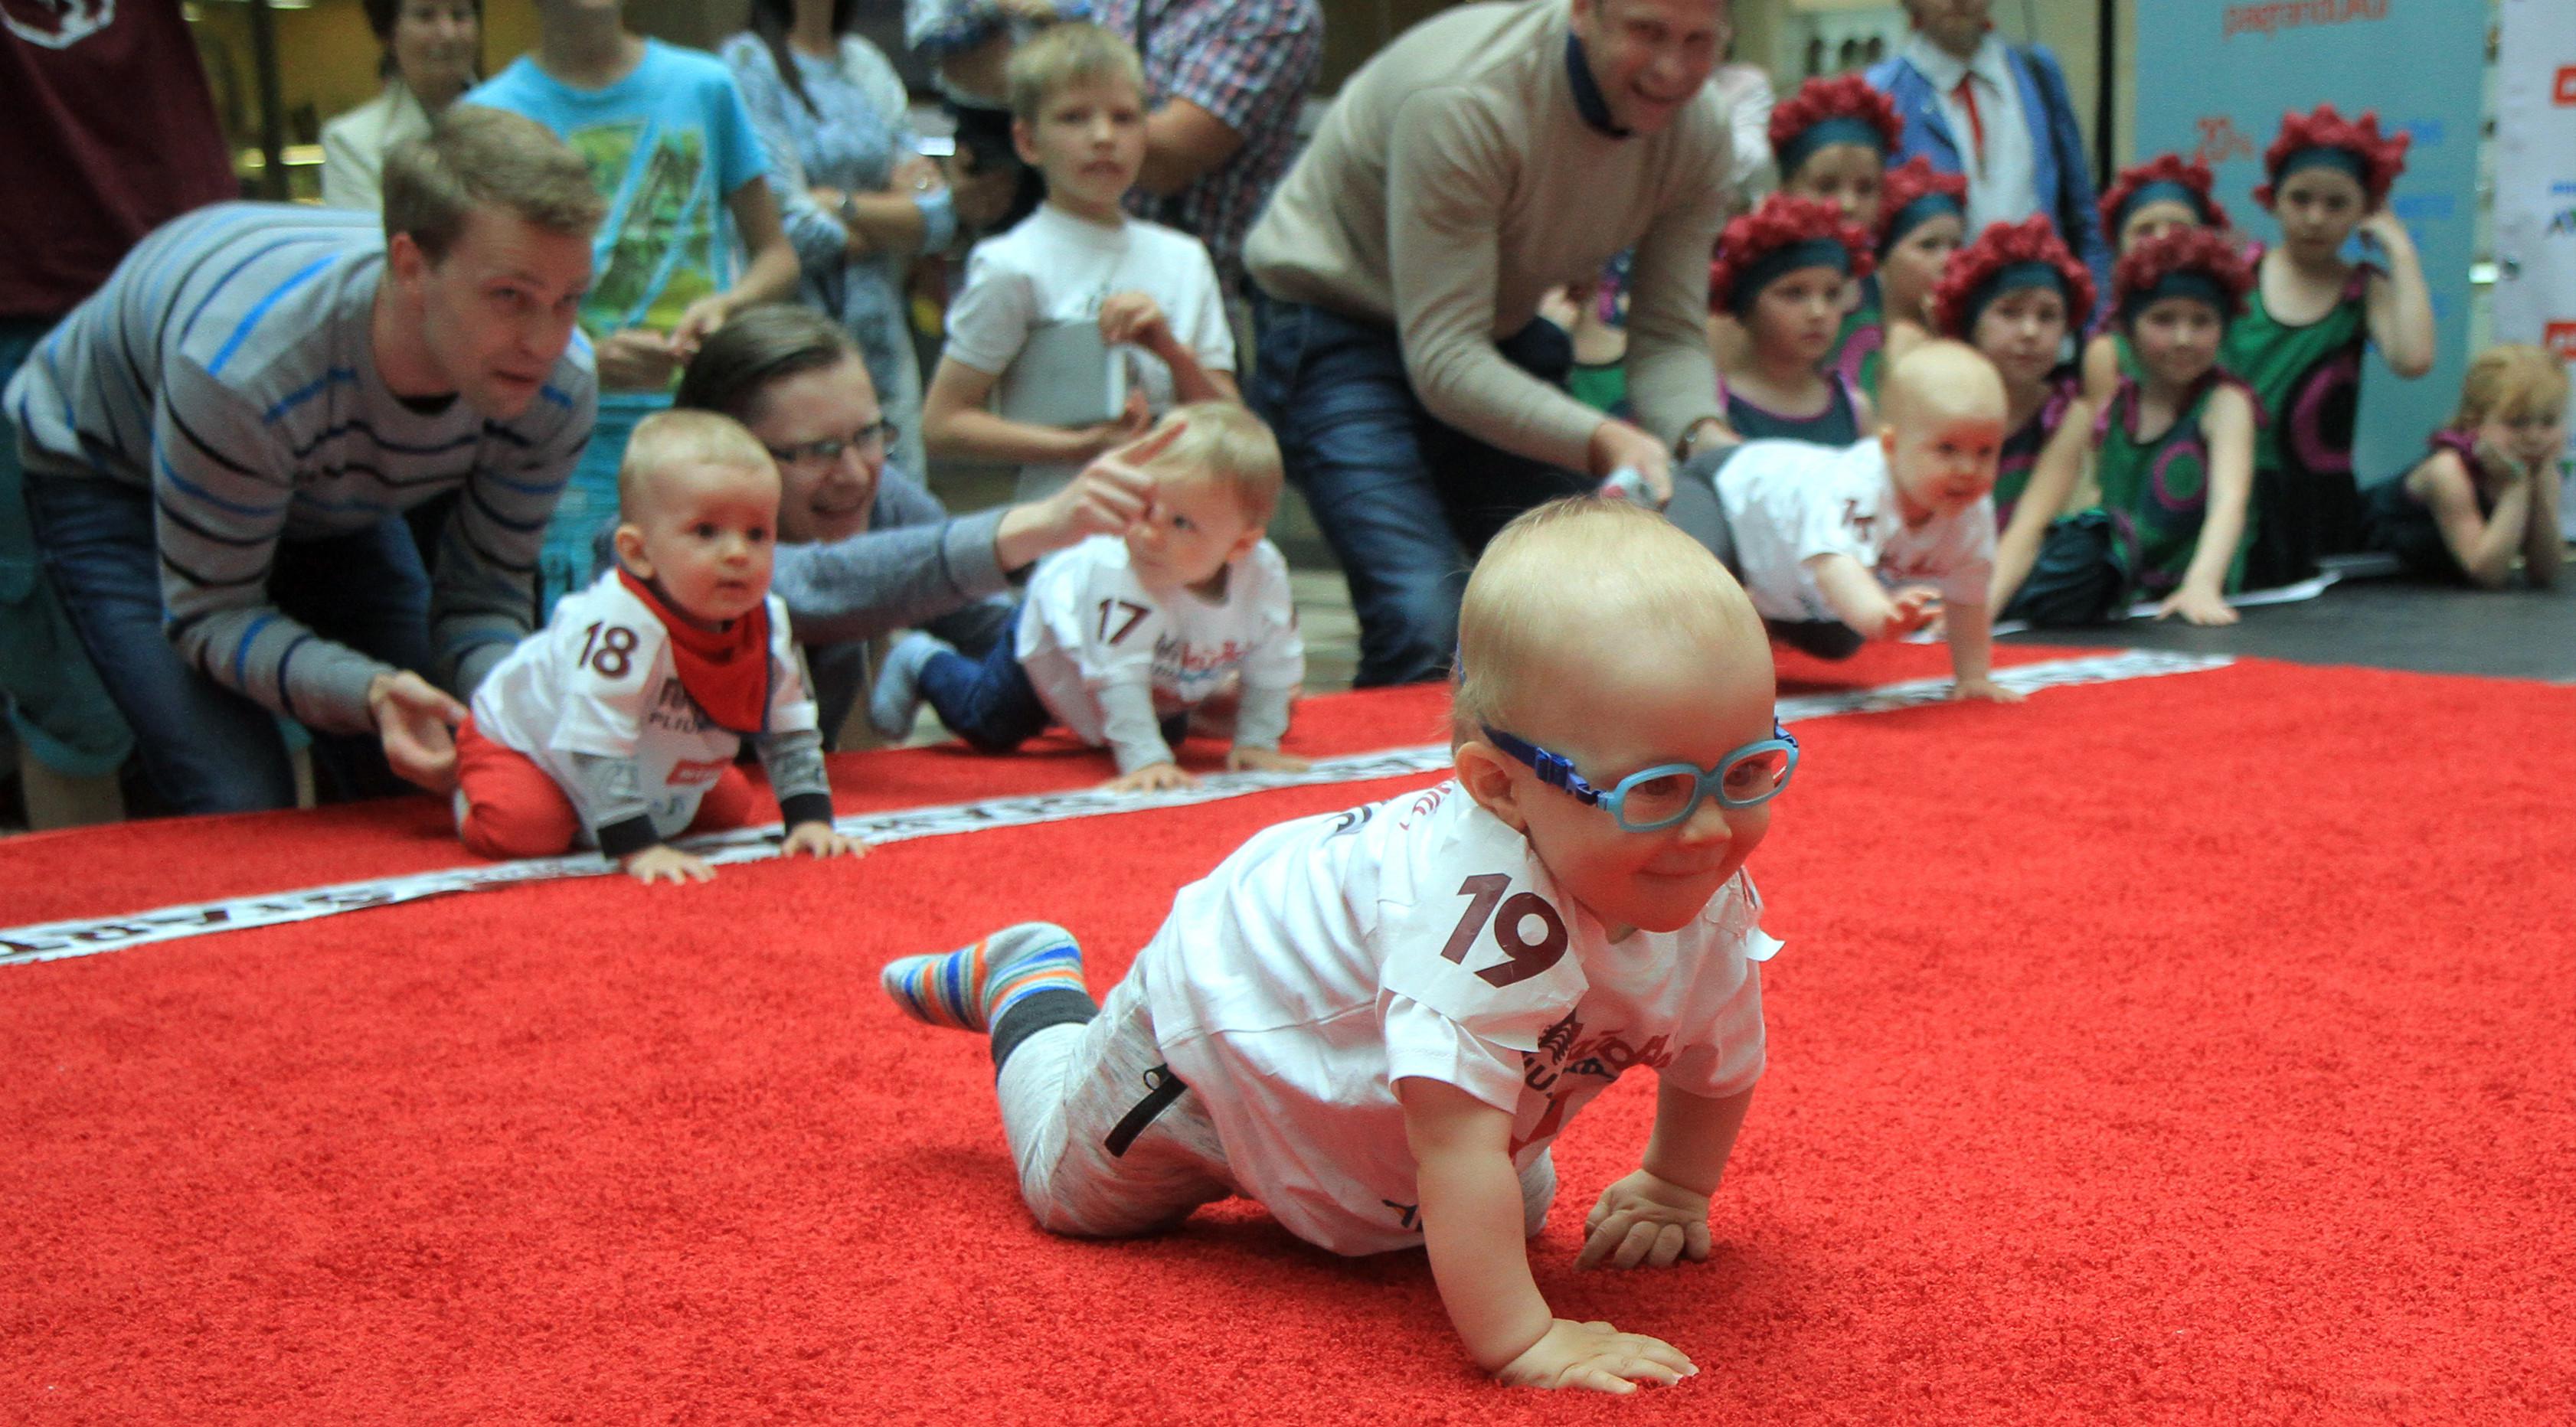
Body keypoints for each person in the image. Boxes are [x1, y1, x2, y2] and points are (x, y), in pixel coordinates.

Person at [878, 496, 1793, 1392]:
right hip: (1218, 1044)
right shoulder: (1478, 925)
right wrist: (1523, 1339)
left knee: (1501, 1209)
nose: (1712, 830)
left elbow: (1716, 1056)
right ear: (1499, 788)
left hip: (1372, 1079)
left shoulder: (1697, 880)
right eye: (1656, 789)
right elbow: (1456, 1153)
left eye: (1750, 769)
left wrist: (1673, 1186)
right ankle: (1030, 984)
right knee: (1073, 1199)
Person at [5, 108, 603, 815]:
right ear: (412, 267)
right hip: (113, 469)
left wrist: (520, 717)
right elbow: (210, 616)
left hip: (313, 470)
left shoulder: (559, 384)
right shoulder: (245, 370)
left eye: (569, 299)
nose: (543, 341)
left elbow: (484, 599)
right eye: (510, 297)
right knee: (238, 796)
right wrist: (367, 691)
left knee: (441, 767)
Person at [1243, 0, 1737, 687]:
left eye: (1698, 41)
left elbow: (1668, 335)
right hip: (1334, 318)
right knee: (1423, 621)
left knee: (1591, 596)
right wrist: (1606, 439)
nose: (1672, 68)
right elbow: (1444, 357)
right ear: (1583, 11)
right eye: (1646, 32)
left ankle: (1557, 755)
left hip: (1489, 331)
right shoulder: (1466, 98)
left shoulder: (1702, 128)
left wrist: (1714, 448)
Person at [671, 303, 1157, 744]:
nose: (855, 474)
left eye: (869, 435)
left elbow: (996, 629)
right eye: (818, 451)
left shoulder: (882, 493)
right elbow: (813, 586)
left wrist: (1151, 662)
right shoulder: (666, 533)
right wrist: (1040, 525)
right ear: (726, 455)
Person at [463, 0, 802, 616]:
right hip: (556, 435)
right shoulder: (488, 116)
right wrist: (582, 358)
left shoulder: (703, 85)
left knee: (717, 614)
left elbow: (777, 255)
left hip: (702, 419)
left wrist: (728, 307)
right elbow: (468, 307)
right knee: (581, 627)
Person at [2, 0, 239, 825]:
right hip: (20, 318)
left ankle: (301, 904)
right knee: (70, 704)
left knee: (261, 668)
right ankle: (81, 914)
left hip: (193, 296)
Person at [456, 410, 863, 882]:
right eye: (706, 531)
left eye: (757, 534)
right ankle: (465, 785)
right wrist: (639, 848)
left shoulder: (767, 620)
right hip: (529, 746)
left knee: (730, 807)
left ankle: (615, 810)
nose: (738, 553)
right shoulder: (620, 623)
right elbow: (595, 742)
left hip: (646, 754)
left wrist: (809, 819)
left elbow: (788, 724)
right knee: (530, 831)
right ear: (638, 552)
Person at [873, 403, 1306, 792]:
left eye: (1181, 523)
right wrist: (1147, 761)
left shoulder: (1264, 574)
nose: (1149, 534)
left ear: (1241, 545)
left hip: (1153, 676)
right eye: (1144, 507)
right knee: (992, 724)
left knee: (1165, 732)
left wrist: (1257, 742)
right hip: (1052, 650)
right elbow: (1118, 676)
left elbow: (1274, 665)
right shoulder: (1117, 568)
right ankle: (920, 660)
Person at [920, 23, 1239, 500]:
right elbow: (943, 424)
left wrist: (1171, 351)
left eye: (1124, 118)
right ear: (1028, 141)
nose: (1104, 136)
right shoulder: (1012, 263)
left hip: (1180, 516)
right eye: (1073, 118)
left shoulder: (1185, 259)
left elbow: (1231, 426)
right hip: (1064, 520)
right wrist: (1077, 447)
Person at [1664, 342, 2019, 699]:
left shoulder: (1972, 509)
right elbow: (1835, 567)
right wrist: (1882, 615)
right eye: (1947, 449)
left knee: (1839, 641)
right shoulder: (1858, 485)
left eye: (1985, 451)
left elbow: (1968, 599)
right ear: (1891, 447)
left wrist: (1974, 677)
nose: (1968, 470)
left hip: (1784, 561)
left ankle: (1759, 616)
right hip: (1722, 489)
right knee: (1695, 588)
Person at [721, 0, 955, 487]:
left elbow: (937, 215)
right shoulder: (747, 62)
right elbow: (787, 228)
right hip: (788, 357)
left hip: (884, 352)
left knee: (902, 509)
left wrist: (839, 204)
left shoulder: (862, 60)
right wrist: (892, 220)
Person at [2224, 105, 2435, 587]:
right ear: (2272, 200)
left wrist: (2400, 250)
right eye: (2300, 199)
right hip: (2230, 490)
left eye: (2337, 204)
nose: (2315, 218)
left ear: (2366, 211)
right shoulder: (2238, 277)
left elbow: (2414, 359)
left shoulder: (2365, 290)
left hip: (2319, 507)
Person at [1931, 216, 2121, 625]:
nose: (2031, 332)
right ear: (1971, 322)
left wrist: (1972, 619)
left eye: (2048, 316)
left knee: (2086, 552)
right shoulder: (1937, 401)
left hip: (2015, 572)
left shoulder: (2067, 414)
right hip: (1936, 570)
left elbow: (2028, 528)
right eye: (2010, 312)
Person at [1865, 0, 2110, 305]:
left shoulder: (2036, 71)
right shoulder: (1882, 93)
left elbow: (2082, 213)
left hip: (2039, 307)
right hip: (1936, 311)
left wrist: (2093, 314)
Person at [1091, 0, 1324, 305]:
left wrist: (1051, 107)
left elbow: (1169, 160)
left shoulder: (1275, 9)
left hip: (1173, 288)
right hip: (1061, 255)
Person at [2091, 227, 2261, 625]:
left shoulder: (2225, 403)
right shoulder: (2112, 406)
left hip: (2196, 601)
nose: (2184, 338)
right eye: (2163, 320)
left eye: (2202, 321)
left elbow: (2230, 500)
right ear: (2128, 327)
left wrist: (2202, 584)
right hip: (2124, 609)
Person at [2359, 345, 2565, 589]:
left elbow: (2545, 573)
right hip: (2353, 567)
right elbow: (2487, 575)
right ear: (2474, 421)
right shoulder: (2447, 471)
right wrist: (2515, 489)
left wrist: (2539, 490)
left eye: (2548, 422)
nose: (2534, 437)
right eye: (2517, 423)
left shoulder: (2541, 471)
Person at [1757, 73, 1901, 384]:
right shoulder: (1761, 281)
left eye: (1866, 189)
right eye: (1826, 187)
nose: (1848, 204)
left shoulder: (1878, 282)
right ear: (1785, 190)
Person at [1706, 194, 1876, 446]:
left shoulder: (1855, 409)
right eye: (1794, 293)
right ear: (1747, 305)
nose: (1819, 312)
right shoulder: (1714, 408)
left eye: (1832, 295)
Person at [2077, 154, 2231, 404]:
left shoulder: (2229, 330)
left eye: (2179, 228)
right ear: (2118, 247)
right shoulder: (2107, 353)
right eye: (2144, 231)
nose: (2161, 240)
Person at [322, 0, 482, 212]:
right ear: (389, 33)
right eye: (425, 16)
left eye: (459, 15)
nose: (448, 34)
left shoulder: (517, 119)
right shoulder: (350, 142)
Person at [1849, 155, 1966, 397]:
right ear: (1882, 258)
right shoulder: (1851, 334)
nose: (1949, 261)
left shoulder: (1968, 332)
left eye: (1956, 246)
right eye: (1928, 246)